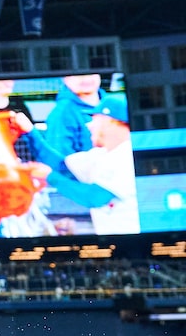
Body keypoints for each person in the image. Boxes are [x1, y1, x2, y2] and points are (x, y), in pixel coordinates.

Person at [23, 94, 138, 235]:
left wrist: (49, 176)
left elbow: (94, 197)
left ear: (111, 122)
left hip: (133, 239)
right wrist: (30, 132)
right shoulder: (100, 154)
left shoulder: (128, 155)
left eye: (95, 119)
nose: (89, 125)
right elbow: (61, 166)